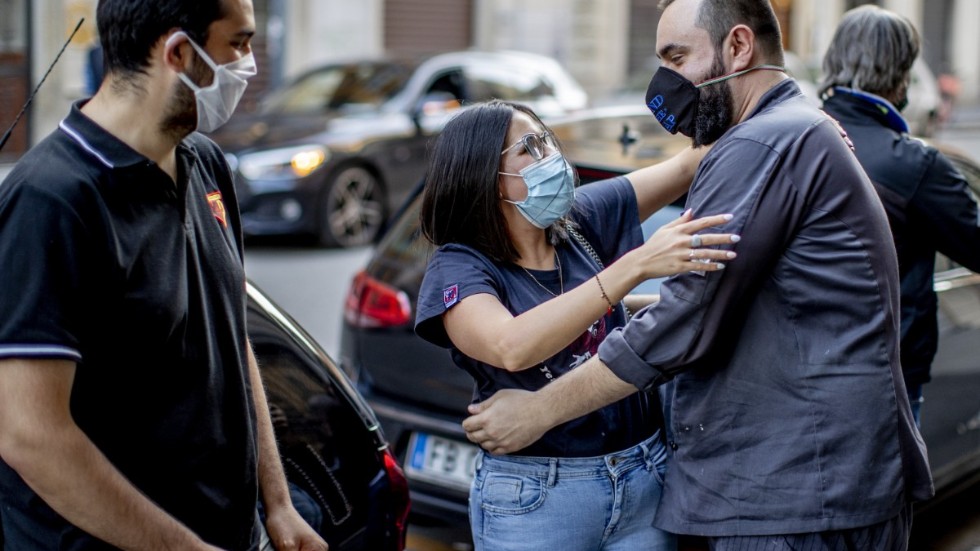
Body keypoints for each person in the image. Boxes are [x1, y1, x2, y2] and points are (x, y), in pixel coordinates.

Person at [462, 0, 934, 548]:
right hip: (812, 486)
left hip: (797, 496)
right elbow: (753, 299)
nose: (666, 80)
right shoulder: (785, 130)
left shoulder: (762, 143)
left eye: (677, 56)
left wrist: (540, 410)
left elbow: (684, 318)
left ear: (738, 46)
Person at [0, 1, 327, 550]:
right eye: (238, 45)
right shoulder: (51, 200)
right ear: (178, 52)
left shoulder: (205, 163)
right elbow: (31, 435)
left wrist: (276, 503)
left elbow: (230, 336)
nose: (248, 65)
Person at [414, 100, 738, 550]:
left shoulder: (578, 221)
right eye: (528, 147)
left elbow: (691, 163)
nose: (550, 155)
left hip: (642, 473)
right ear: (485, 176)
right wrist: (637, 265)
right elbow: (511, 345)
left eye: (545, 138)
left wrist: (800, 132)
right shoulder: (459, 266)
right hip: (539, 497)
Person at [819, 5, 980, 426]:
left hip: (792, 374)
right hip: (883, 385)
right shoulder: (916, 165)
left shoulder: (790, 139)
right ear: (901, 73)